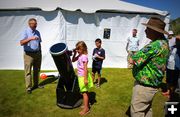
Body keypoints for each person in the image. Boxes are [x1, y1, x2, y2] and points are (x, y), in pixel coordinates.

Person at [129, 17, 169, 117]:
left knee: (136, 112)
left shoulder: (154, 46)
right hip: (153, 85)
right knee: (147, 110)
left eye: (148, 29)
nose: (145, 30)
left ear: (155, 31)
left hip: (144, 86)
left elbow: (133, 60)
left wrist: (131, 55)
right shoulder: (164, 43)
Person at [20, 18, 43, 94]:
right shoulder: (25, 32)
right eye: (34, 24)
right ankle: (29, 88)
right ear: (29, 24)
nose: (36, 25)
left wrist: (40, 51)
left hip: (37, 54)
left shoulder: (37, 32)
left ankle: (36, 85)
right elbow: (21, 42)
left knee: (37, 70)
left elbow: (39, 42)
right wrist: (30, 38)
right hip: (28, 55)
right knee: (28, 72)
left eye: (36, 23)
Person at [72, 41, 93, 116]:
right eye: (76, 49)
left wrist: (85, 79)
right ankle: (86, 105)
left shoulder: (84, 56)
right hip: (81, 76)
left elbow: (85, 68)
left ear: (83, 48)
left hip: (83, 76)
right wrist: (75, 53)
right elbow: (73, 60)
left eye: (78, 49)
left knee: (84, 93)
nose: (77, 50)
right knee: (85, 92)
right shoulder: (80, 55)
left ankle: (86, 109)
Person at [163, 31, 180, 101]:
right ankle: (168, 91)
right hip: (169, 65)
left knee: (174, 81)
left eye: (178, 40)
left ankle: (172, 94)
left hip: (176, 67)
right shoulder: (172, 47)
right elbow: (168, 55)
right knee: (168, 80)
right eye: (176, 40)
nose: (176, 41)